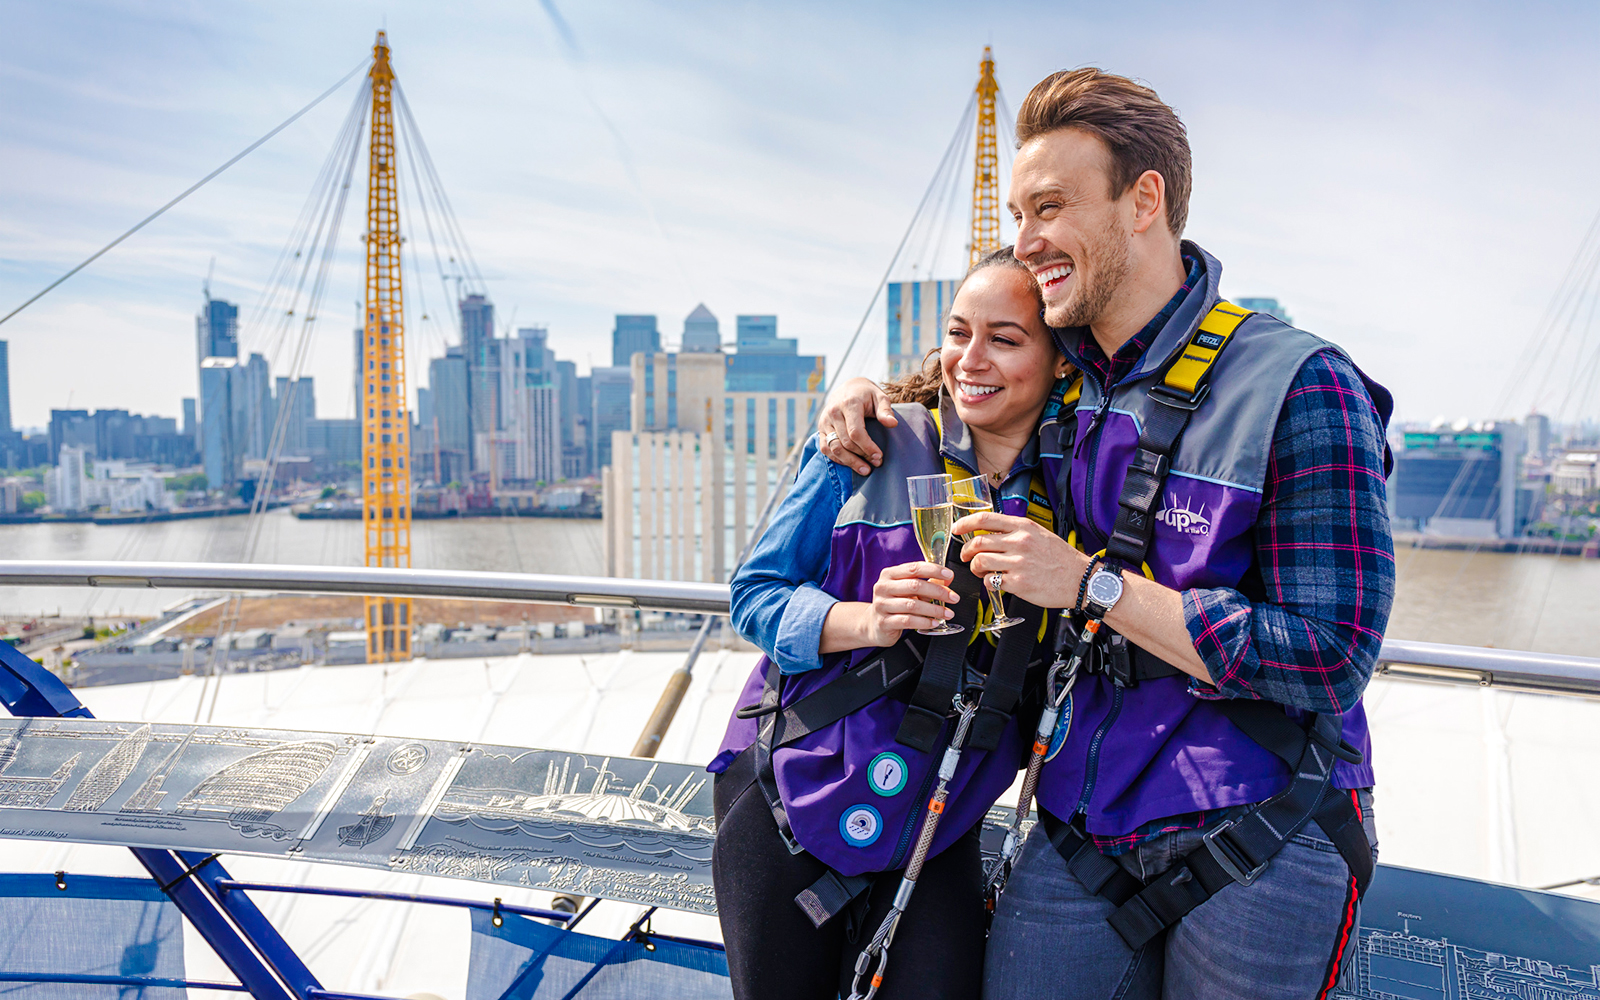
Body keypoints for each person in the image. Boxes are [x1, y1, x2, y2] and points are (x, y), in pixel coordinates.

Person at [817, 68, 1394, 1000]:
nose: (1026, 240)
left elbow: (1329, 657)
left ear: (1145, 200)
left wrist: (1091, 585)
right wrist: (865, 395)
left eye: (1050, 206)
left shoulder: (1301, 385)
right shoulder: (1072, 378)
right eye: (1016, 214)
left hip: (1261, 824)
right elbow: (967, 381)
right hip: (1084, 819)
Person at [708, 247, 1073, 1000]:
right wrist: (861, 619)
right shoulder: (866, 445)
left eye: (1004, 339)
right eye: (958, 332)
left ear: (1062, 362)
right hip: (786, 790)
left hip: (938, 825)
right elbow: (754, 592)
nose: (970, 359)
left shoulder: (1080, 492)